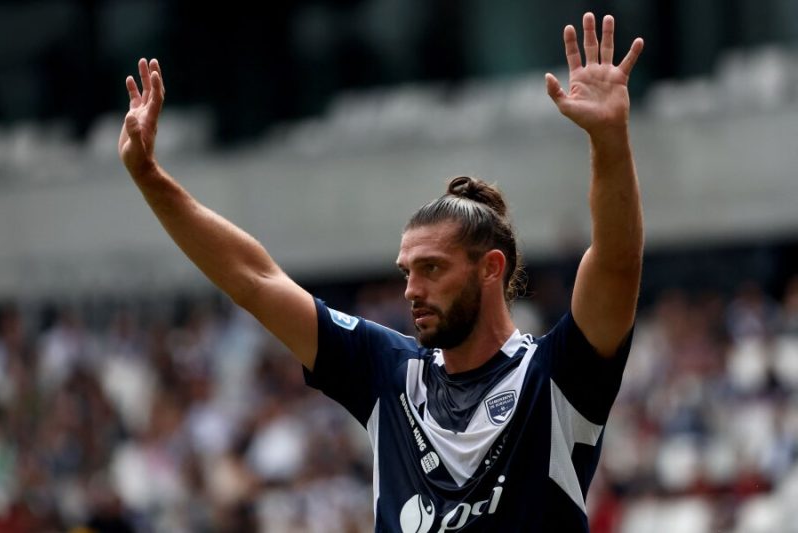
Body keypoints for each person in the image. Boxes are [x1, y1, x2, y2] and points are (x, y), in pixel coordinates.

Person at [119, 12, 644, 533]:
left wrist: (609, 138)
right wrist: (150, 178)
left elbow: (617, 262)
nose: (412, 290)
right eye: (407, 271)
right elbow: (254, 280)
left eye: (432, 268)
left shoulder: (555, 377)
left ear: (491, 268)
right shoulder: (389, 374)